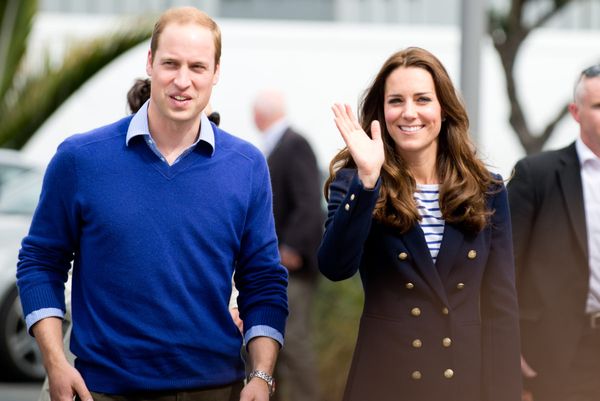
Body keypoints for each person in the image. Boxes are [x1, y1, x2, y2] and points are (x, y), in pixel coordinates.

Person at [17, 6, 287, 401]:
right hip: (102, 391)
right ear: (149, 62)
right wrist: (56, 363)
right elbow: (40, 262)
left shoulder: (246, 167)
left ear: (215, 73)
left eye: (197, 67)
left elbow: (262, 280)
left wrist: (261, 377)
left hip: (214, 390)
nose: (182, 80)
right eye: (170, 63)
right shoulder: (80, 159)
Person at [317, 46, 522, 401]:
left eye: (422, 99)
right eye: (396, 101)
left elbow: (500, 307)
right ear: (381, 112)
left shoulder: (486, 189)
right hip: (385, 381)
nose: (409, 113)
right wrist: (367, 182)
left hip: (465, 382)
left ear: (443, 109)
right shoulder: (356, 183)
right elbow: (335, 267)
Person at [508, 64, 600, 401]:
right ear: (575, 113)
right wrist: (509, 348)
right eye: (598, 106)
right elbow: (503, 267)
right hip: (557, 353)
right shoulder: (536, 174)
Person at [253, 90, 323, 401]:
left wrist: (292, 248)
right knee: (272, 345)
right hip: (274, 267)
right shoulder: (276, 147)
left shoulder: (294, 145)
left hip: (292, 267)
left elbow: (310, 203)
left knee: (293, 342)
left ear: (259, 116)